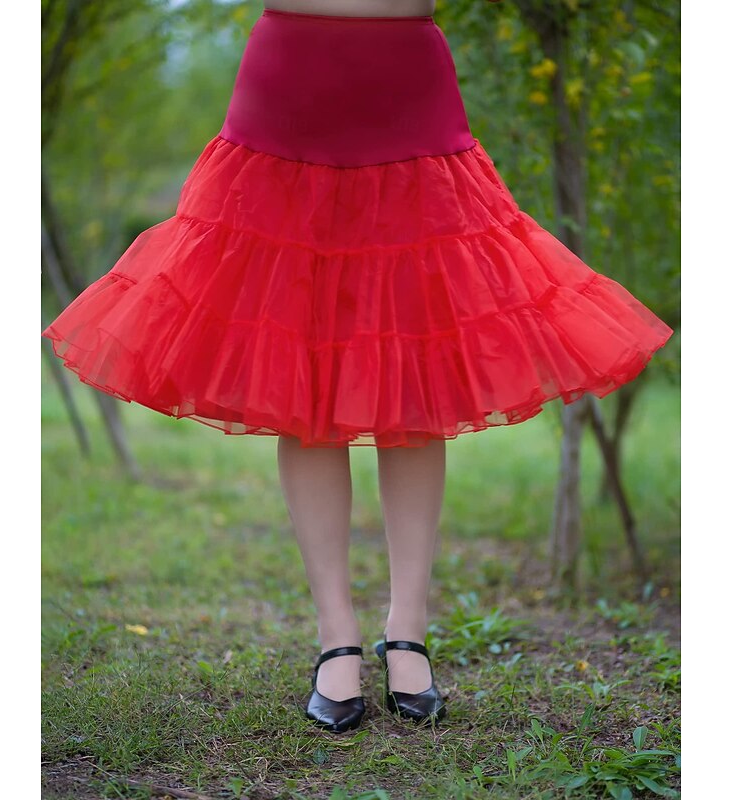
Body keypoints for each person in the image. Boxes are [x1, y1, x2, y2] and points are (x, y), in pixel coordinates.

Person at [41, 0, 674, 733]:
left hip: (408, 88)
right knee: (302, 369)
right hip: (289, 89)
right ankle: (335, 636)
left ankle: (409, 630)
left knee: (417, 367)